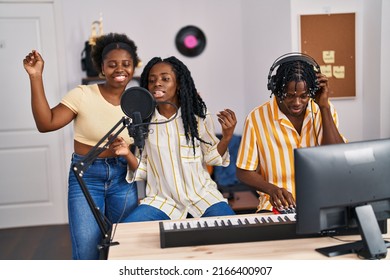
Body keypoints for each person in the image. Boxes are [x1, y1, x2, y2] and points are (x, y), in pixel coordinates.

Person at [22, 33, 140, 259]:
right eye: (112, 64)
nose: (120, 69)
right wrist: (36, 77)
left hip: (124, 177)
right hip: (87, 175)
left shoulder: (140, 101)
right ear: (102, 68)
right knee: (87, 249)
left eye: (126, 64)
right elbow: (45, 123)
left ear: (134, 67)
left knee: (127, 245)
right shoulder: (83, 94)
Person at [111, 56, 237, 221]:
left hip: (204, 198)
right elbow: (144, 170)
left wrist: (226, 137)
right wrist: (127, 153)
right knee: (129, 231)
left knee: (234, 230)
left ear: (178, 84)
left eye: (165, 78)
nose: (157, 83)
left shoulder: (198, 118)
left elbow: (211, 157)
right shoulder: (144, 123)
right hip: (161, 201)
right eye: (152, 80)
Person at [236, 53, 346, 214]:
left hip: (322, 202)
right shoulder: (256, 118)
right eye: (289, 96)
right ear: (276, 89)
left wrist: (324, 107)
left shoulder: (324, 111)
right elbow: (243, 171)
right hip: (275, 206)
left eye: (304, 96)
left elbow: (338, 157)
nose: (297, 103)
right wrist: (271, 189)